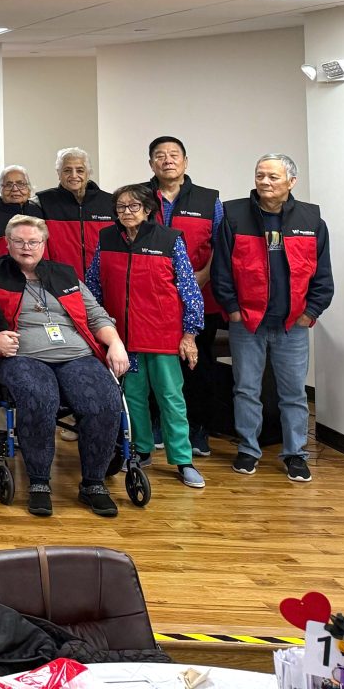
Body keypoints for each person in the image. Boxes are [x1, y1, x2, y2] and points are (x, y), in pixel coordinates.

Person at [0, 215, 131, 518]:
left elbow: (96, 315)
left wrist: (115, 343)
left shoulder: (64, 274)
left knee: (104, 401)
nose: (26, 247)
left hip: (76, 355)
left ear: (44, 244)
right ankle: (38, 482)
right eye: (19, 241)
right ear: (7, 243)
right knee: (39, 397)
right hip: (20, 355)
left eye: (33, 242)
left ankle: (94, 483)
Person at [211, 153, 332, 482]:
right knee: (246, 389)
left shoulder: (311, 219)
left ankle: (295, 454)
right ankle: (248, 450)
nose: (264, 182)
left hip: (293, 325)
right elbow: (221, 270)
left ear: (291, 182)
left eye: (273, 177)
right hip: (247, 324)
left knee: (293, 393)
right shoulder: (234, 215)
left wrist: (311, 312)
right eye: (260, 175)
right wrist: (232, 308)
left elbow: (322, 274)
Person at [86, 184, 206, 489]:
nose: (126, 212)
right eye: (121, 207)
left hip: (162, 335)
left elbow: (190, 289)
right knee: (133, 397)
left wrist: (190, 334)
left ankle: (182, 459)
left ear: (148, 209)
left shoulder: (169, 239)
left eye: (133, 206)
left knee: (170, 398)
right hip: (123, 338)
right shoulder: (107, 238)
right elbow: (93, 284)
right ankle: (141, 449)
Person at [146, 135, 223, 457]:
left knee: (198, 365)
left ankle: (197, 428)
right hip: (152, 300)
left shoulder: (209, 199)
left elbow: (221, 244)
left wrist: (203, 275)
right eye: (160, 155)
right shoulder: (139, 197)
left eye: (174, 154)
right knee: (155, 364)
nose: (167, 160)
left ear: (185, 162)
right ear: (151, 163)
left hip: (201, 297)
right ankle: (157, 424)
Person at [36, 147, 116, 278]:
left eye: (80, 170)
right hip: (61, 281)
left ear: (88, 173)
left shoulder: (110, 202)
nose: (74, 175)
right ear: (58, 173)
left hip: (103, 280)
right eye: (67, 170)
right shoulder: (42, 202)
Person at [0, 165, 42, 258]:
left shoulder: (39, 211)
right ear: (0, 189)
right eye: (8, 185)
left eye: (20, 184)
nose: (15, 189)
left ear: (29, 188)